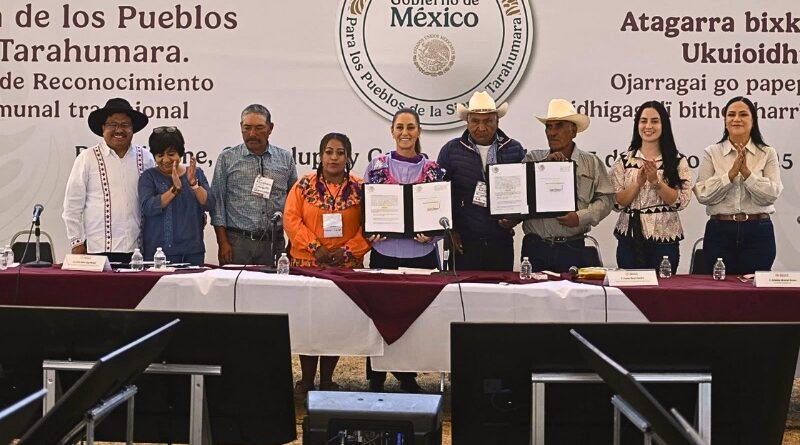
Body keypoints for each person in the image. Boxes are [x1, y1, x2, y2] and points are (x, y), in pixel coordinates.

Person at [362, 107, 446, 393]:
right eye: (400, 127)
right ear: (392, 131)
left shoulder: (434, 171)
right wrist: (371, 231)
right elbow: (365, 208)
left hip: (421, 256)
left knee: (415, 317)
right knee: (378, 314)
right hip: (384, 253)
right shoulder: (376, 167)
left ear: (419, 131)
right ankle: (376, 375)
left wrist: (432, 235)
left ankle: (408, 376)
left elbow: (441, 215)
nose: (405, 133)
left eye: (410, 127)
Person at [284, 132, 370, 393]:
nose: (334, 157)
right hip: (308, 264)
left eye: (340, 153)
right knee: (309, 322)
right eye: (329, 152)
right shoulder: (303, 185)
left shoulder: (360, 188)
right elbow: (291, 219)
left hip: (344, 267)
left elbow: (370, 227)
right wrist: (314, 246)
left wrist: (347, 251)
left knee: (335, 322)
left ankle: (327, 379)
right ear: (320, 156)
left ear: (348, 158)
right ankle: (306, 379)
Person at [521, 99, 614, 272]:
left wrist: (581, 217)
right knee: (532, 290)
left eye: (559, 126)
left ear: (573, 131)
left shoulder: (591, 162)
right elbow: (520, 195)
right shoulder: (532, 159)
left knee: (576, 290)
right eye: (548, 127)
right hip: (536, 247)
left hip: (573, 247)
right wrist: (542, 167)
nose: (552, 132)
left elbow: (606, 200)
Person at [693, 96, 783, 274]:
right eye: (731, 114)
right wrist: (730, 175)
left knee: (753, 286)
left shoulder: (767, 152)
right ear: (725, 120)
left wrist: (748, 175)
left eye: (743, 114)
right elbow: (702, 194)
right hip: (720, 230)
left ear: (753, 121)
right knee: (720, 286)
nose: (736, 119)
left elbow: (772, 194)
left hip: (758, 231)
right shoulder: (712, 152)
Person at [437, 91, 525, 271]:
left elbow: (526, 193)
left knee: (501, 288)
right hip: (463, 242)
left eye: (488, 121)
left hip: (501, 242)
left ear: (497, 121)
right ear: (467, 122)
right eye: (475, 121)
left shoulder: (514, 149)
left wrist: (516, 218)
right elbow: (440, 196)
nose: (482, 127)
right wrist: (451, 231)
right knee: (462, 289)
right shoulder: (451, 150)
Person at [63, 98, 155, 263]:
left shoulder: (146, 158)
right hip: (97, 250)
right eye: (112, 124)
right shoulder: (87, 158)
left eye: (125, 124)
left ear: (132, 129)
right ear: (103, 128)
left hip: (138, 251)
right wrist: (77, 243)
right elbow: (72, 206)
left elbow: (155, 200)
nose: (119, 130)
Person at [210, 104, 298, 265]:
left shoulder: (285, 159)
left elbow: (295, 205)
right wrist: (222, 243)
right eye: (247, 128)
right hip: (237, 243)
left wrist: (293, 244)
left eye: (259, 128)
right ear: (240, 127)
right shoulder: (227, 158)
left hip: (274, 243)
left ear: (270, 128)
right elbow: (217, 203)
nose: (252, 134)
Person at [611, 101, 693, 273]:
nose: (648, 126)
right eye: (643, 121)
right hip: (629, 239)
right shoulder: (624, 160)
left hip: (665, 241)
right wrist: (637, 184)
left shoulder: (677, 161)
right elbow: (616, 203)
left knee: (664, 288)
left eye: (655, 121)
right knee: (629, 288)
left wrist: (656, 182)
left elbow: (681, 201)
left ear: (664, 125)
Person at [138, 127, 214, 266]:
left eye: (171, 154)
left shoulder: (196, 173)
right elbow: (148, 208)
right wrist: (174, 189)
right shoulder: (149, 177)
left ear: (181, 153)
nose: (166, 160)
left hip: (193, 252)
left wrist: (193, 184)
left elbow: (209, 204)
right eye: (160, 155)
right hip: (158, 254)